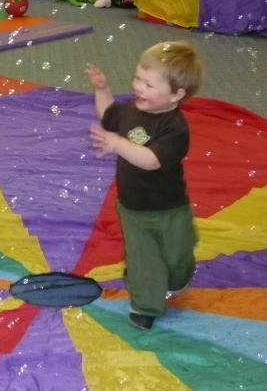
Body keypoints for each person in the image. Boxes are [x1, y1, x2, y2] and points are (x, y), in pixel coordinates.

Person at [85, 41, 203, 330]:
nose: (138, 87)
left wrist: (118, 144)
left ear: (176, 94)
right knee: (143, 259)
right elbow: (108, 114)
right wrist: (102, 90)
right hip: (133, 208)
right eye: (138, 78)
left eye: (148, 84)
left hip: (170, 208)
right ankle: (145, 304)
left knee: (177, 255)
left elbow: (150, 160)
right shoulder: (130, 111)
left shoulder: (175, 128)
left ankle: (179, 275)